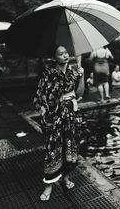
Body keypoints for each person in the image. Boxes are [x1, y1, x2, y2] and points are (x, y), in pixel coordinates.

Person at [33, 45, 84, 202]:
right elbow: (40, 94)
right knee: (53, 148)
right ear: (55, 57)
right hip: (54, 116)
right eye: (61, 54)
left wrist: (81, 76)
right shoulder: (48, 73)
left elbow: (80, 93)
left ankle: (66, 177)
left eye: (66, 53)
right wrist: (46, 107)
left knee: (70, 146)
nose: (65, 55)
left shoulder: (74, 71)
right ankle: (48, 186)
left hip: (70, 115)